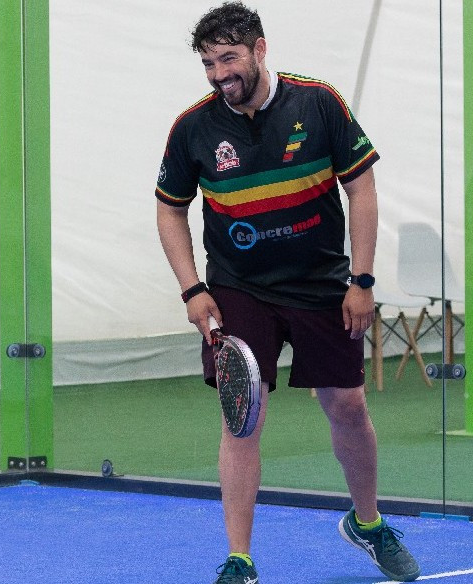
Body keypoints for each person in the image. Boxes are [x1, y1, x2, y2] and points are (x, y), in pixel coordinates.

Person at [155, 2, 420, 582]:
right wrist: (192, 289)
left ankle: (369, 523)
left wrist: (362, 281)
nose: (219, 74)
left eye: (229, 58)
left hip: (321, 283)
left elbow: (362, 187)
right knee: (242, 416)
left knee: (348, 406)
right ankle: (240, 559)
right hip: (238, 288)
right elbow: (170, 208)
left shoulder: (318, 103)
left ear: (260, 49)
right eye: (208, 64)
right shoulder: (194, 127)